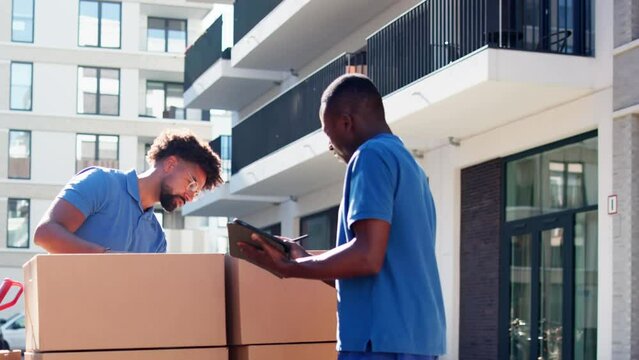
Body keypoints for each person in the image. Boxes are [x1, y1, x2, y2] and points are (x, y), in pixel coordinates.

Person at [238, 74, 446, 359]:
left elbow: (366, 257)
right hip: (416, 340)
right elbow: (379, 270)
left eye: (327, 131)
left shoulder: (370, 156)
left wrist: (289, 269)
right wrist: (303, 258)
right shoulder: (412, 169)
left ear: (346, 122)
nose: (330, 144)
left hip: (378, 342)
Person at [34, 129, 223, 253]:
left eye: (196, 192)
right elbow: (45, 234)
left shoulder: (157, 239)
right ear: (170, 164)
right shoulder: (100, 182)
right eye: (192, 184)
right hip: (67, 311)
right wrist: (107, 259)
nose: (190, 196)